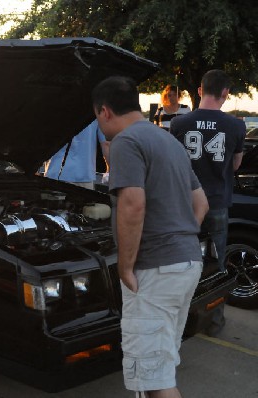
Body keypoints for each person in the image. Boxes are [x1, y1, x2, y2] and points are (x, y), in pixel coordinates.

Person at [92, 75, 209, 398]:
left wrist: (126, 266)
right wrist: (179, 235)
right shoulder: (167, 140)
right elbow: (200, 203)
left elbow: (132, 204)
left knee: (154, 381)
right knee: (161, 365)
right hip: (185, 263)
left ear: (105, 111)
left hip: (155, 271)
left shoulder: (126, 143)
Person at [170, 69, 246, 336]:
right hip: (215, 203)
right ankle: (213, 321)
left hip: (184, 203)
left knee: (180, 261)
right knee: (216, 264)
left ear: (200, 91)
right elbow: (236, 165)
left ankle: (180, 319)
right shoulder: (237, 125)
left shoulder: (179, 123)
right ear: (225, 93)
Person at [44, 119, 109, 189]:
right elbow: (106, 144)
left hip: (55, 172)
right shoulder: (95, 113)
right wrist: (110, 170)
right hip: (84, 175)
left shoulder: (54, 111)